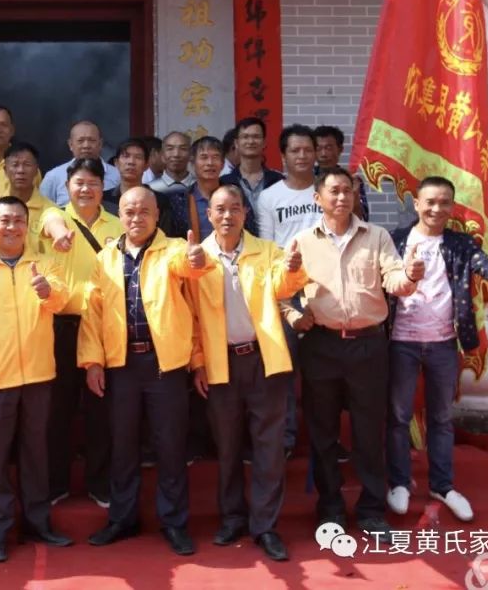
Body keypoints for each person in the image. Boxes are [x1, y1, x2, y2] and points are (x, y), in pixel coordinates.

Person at [291, 167, 423, 537]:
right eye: (333, 191)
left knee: (368, 431)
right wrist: (294, 316)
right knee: (323, 432)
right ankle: (330, 507)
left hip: (368, 344)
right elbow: (285, 290)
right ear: (317, 198)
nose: (342, 197)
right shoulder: (302, 241)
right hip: (321, 345)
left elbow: (394, 280)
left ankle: (370, 509)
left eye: (348, 190)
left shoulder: (376, 236)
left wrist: (410, 276)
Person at [79, 187, 209, 555]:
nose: (137, 218)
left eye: (144, 211)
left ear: (157, 215)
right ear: (119, 214)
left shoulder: (175, 251)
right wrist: (92, 361)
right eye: (129, 211)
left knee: (170, 446)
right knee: (122, 445)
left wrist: (197, 258)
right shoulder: (105, 258)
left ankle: (174, 522)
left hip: (164, 364)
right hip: (121, 364)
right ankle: (122, 518)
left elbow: (193, 275)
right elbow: (93, 314)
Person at [386, 176, 488, 523]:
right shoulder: (395, 240)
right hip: (401, 342)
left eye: (444, 202)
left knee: (442, 418)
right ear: (416, 203)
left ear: (451, 206)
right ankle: (399, 482)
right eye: (429, 202)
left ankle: (442, 485)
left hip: (444, 342)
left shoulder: (459, 243)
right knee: (398, 416)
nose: (436, 209)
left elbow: (484, 264)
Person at [188, 185, 307, 561]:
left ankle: (265, 526)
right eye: (220, 209)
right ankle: (232, 518)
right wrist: (197, 363)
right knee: (227, 445)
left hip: (263, 360)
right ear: (209, 214)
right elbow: (190, 318)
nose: (227, 216)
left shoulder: (266, 251)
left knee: (269, 447)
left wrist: (293, 268)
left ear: (245, 213)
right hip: (220, 362)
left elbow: (284, 285)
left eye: (235, 209)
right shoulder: (196, 258)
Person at [0, 196, 74, 562]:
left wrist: (48, 292)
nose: (12, 227)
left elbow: (62, 299)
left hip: (38, 376)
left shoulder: (44, 264)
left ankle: (38, 523)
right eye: (4, 220)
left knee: (36, 454)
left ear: (28, 225)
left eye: (19, 220)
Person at [40, 158, 122, 508]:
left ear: (103, 187)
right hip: (59, 327)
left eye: (92, 183)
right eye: (78, 183)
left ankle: (99, 483)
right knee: (56, 409)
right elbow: (51, 223)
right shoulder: (50, 217)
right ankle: (56, 482)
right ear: (66, 187)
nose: (85, 189)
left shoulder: (118, 225)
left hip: (103, 326)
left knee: (100, 410)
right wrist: (60, 234)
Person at [256, 124, 323, 455]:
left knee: (323, 370)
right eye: (294, 150)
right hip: (287, 291)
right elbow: (269, 248)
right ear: (282, 155)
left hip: (327, 289)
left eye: (307, 150)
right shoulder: (269, 197)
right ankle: (285, 439)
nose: (301, 156)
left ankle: (322, 438)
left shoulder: (328, 192)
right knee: (284, 370)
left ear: (316, 153)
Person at [219, 117, 283, 236]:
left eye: (256, 137)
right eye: (245, 137)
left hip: (272, 248)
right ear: (236, 143)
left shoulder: (278, 181)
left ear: (264, 143)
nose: (251, 141)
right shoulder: (224, 183)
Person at [103, 138, 177, 236]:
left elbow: (166, 237)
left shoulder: (159, 200)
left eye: (138, 157)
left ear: (146, 165)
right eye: (126, 156)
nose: (131, 162)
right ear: (116, 163)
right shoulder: (104, 199)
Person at [39, 121, 120, 206]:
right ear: (70, 144)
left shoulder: (117, 175)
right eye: (80, 141)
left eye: (92, 140)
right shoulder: (54, 177)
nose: (86, 145)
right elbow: (43, 211)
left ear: (100, 144)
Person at [170, 135, 227, 242]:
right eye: (204, 157)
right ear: (192, 163)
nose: (210, 163)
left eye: (215, 157)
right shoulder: (180, 200)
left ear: (222, 164)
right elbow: (172, 239)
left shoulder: (235, 196)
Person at [2, 141, 58, 245]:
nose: (21, 170)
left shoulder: (51, 210)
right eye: (15, 165)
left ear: (36, 170)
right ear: (5, 170)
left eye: (27, 164)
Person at [314, 125, 369, 220]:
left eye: (328, 148)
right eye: (318, 149)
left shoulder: (351, 180)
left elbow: (363, 219)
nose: (323, 154)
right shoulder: (306, 179)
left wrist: (355, 197)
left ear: (340, 149)